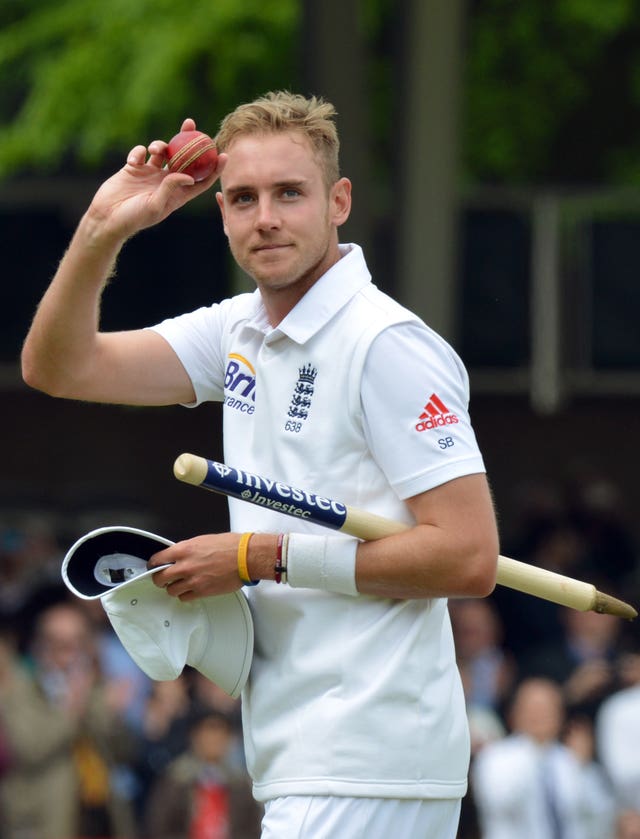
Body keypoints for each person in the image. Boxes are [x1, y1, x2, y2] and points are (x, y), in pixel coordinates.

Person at [21, 90, 499, 838]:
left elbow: (468, 556)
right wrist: (101, 230)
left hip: (369, 750)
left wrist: (253, 556)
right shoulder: (238, 328)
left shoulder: (388, 344)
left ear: (338, 201)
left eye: (288, 193)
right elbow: (60, 367)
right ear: (221, 213)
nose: (265, 216)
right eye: (242, 198)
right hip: (295, 751)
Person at [472, 677, 615, 839]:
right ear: (514, 713)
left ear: (561, 715)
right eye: (532, 708)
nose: (539, 716)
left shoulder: (570, 759)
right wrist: (534, 751)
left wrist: (582, 768)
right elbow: (499, 802)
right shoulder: (495, 756)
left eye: (547, 709)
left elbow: (600, 815)